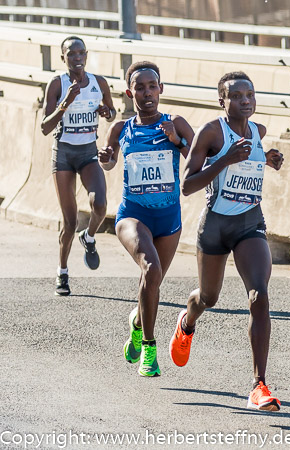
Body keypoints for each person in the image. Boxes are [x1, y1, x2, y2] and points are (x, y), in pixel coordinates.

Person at [168, 71, 284, 410]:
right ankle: (187, 322)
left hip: (250, 225)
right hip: (216, 228)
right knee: (208, 297)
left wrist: (270, 159)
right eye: (236, 96)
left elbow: (256, 160)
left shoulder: (258, 132)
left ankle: (259, 385)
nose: (245, 100)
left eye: (250, 94)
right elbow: (186, 186)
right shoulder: (211, 132)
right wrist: (224, 159)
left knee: (259, 295)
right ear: (222, 101)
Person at [98, 61, 194, 377]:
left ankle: (138, 323)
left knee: (151, 282)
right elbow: (110, 161)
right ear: (130, 92)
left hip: (169, 219)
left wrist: (177, 141)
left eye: (152, 86)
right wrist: (107, 159)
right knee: (150, 270)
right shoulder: (121, 128)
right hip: (133, 216)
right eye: (140, 87)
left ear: (161, 89)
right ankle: (150, 350)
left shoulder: (175, 123)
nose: (147, 92)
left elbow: (201, 158)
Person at [41, 36, 116, 296]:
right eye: (71, 54)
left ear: (86, 55)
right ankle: (62, 272)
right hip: (63, 155)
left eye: (81, 53)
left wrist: (107, 112)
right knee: (70, 221)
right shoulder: (57, 84)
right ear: (63, 58)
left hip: (87, 152)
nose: (77, 58)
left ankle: (90, 237)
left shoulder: (98, 83)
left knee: (100, 204)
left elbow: (113, 111)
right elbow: (44, 127)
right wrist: (65, 104)